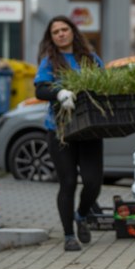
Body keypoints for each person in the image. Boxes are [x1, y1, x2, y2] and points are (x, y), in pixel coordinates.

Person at [34, 15, 105, 252]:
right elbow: (40, 89)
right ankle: (68, 236)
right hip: (60, 131)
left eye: (65, 29)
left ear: (73, 31)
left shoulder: (91, 59)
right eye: (56, 32)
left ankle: (82, 215)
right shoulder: (49, 62)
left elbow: (105, 85)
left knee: (93, 182)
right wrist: (59, 93)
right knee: (68, 183)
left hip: (89, 129)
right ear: (51, 38)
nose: (61, 34)